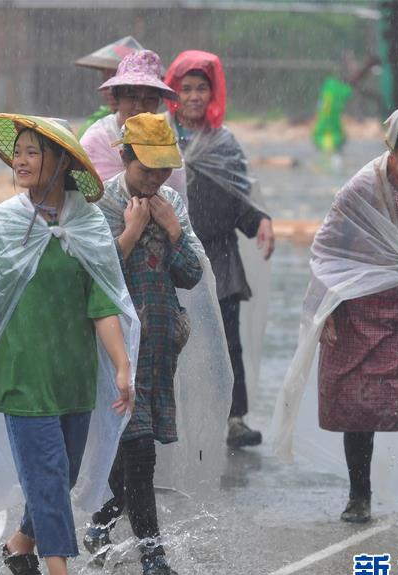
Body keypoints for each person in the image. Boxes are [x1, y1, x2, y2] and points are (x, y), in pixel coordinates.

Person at [0, 114, 138, 575]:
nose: (21, 159)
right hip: (21, 370)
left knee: (65, 470)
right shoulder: (7, 225)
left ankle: (20, 545)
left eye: (34, 151)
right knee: (49, 473)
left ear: (62, 163)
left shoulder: (89, 224)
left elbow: (102, 303)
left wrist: (122, 366)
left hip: (73, 373)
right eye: (20, 151)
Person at [272, 109, 398, 531]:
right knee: (358, 406)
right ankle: (358, 497)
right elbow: (328, 250)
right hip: (360, 312)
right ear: (393, 146)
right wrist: (327, 308)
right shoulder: (361, 187)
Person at [84, 113, 206, 575]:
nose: (155, 180)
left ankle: (101, 523)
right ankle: (154, 559)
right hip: (114, 351)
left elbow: (191, 274)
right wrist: (131, 233)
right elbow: (93, 276)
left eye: (163, 170)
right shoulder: (100, 203)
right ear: (125, 156)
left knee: (133, 450)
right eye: (146, 170)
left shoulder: (170, 201)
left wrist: (173, 229)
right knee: (138, 452)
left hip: (158, 347)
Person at [164, 50, 275, 448]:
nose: (194, 96)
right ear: (173, 93)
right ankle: (173, 418)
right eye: (186, 88)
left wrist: (259, 220)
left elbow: (238, 195)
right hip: (171, 252)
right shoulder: (160, 136)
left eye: (201, 88)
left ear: (213, 94)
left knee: (227, 341)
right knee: (172, 338)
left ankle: (234, 417)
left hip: (220, 255)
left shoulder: (223, 143)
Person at [80, 50, 186, 198]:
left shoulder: (166, 143)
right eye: (131, 96)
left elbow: (178, 206)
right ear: (117, 97)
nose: (140, 106)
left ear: (158, 102)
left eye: (150, 98)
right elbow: (81, 205)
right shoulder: (95, 141)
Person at [74, 35, 144, 138]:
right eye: (106, 81)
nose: (110, 90)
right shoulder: (93, 126)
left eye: (118, 84)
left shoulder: (154, 127)